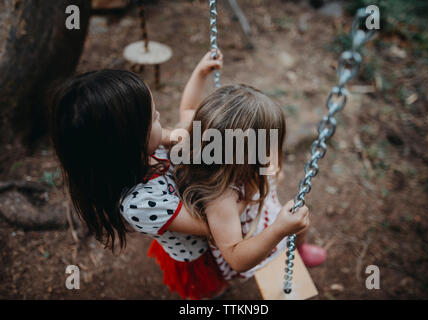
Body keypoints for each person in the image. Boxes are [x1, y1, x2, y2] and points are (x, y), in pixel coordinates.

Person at [50, 51, 229, 299]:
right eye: (154, 119)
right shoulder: (141, 204)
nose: (160, 120)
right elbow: (211, 225)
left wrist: (200, 75)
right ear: (130, 141)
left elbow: (186, 116)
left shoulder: (146, 151)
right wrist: (241, 188)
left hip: (198, 235)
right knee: (208, 291)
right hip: (195, 257)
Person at [174, 84, 326, 281]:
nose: (271, 153)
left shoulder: (241, 163)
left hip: (263, 212)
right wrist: (279, 229)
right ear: (243, 157)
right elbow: (236, 258)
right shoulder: (221, 199)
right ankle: (288, 248)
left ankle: (299, 250)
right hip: (253, 237)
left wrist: (202, 74)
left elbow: (187, 109)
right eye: (267, 146)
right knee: (293, 229)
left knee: (301, 227)